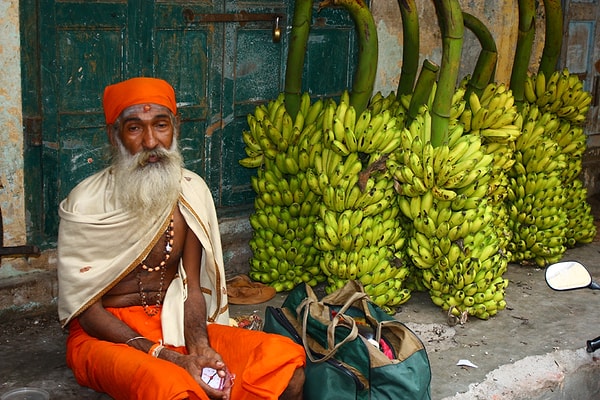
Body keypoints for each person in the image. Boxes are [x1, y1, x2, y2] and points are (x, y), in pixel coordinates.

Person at [56, 77, 306, 400]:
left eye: (160, 125)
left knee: (287, 367)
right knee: (174, 391)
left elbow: (191, 292)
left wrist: (200, 347)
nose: (151, 142)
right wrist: (169, 357)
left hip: (173, 323)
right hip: (105, 338)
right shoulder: (85, 204)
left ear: (175, 128)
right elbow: (87, 312)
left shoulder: (190, 192)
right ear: (113, 135)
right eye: (134, 128)